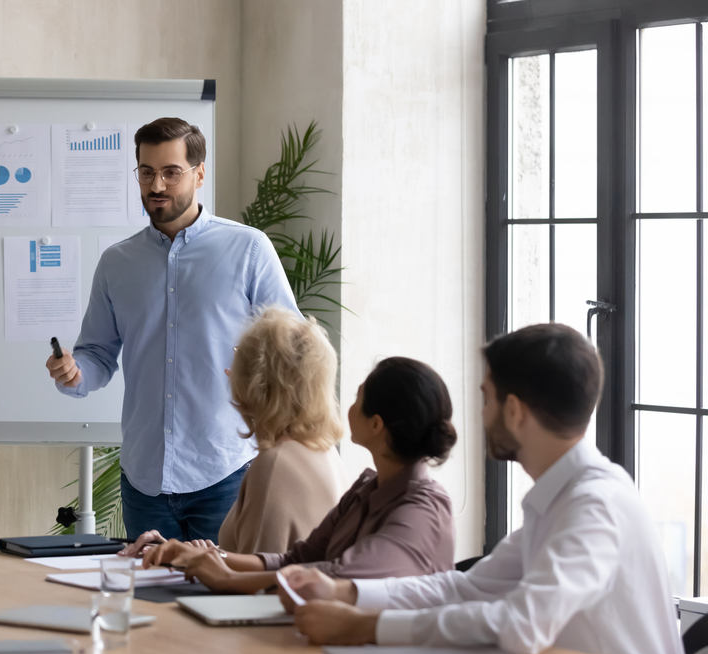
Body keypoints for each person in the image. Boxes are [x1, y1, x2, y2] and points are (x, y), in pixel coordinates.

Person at [280, 323, 685, 654]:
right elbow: (464, 587)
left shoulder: (594, 506)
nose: (480, 413)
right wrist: (344, 592)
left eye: (485, 398)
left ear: (514, 411)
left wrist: (365, 626)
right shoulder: (566, 498)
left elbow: (522, 626)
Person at [45, 117, 300, 542]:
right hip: (144, 481)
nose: (157, 185)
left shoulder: (249, 249)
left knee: (223, 603)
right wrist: (76, 373)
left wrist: (256, 375)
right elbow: (98, 354)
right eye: (146, 172)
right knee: (148, 604)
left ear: (200, 174)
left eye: (171, 172)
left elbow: (292, 349)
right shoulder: (116, 263)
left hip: (225, 472)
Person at [141, 357, 457, 594]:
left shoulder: (422, 509)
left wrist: (230, 578)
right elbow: (299, 558)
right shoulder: (366, 488)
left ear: (376, 425)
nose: (348, 407)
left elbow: (342, 576)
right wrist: (203, 555)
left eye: (357, 399)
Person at [121, 306, 350, 557]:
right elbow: (263, 563)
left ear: (256, 383)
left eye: (239, 357)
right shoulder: (324, 452)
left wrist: (185, 560)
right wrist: (194, 553)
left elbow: (253, 585)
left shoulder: (275, 464)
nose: (229, 369)